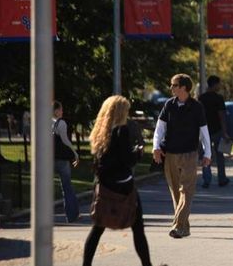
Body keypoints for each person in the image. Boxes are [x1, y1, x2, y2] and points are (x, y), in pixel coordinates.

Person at [83, 96, 156, 266]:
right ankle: (147, 265)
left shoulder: (100, 132)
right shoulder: (121, 130)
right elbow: (127, 160)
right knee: (138, 229)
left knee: (97, 228)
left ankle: (86, 264)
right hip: (123, 187)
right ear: (120, 112)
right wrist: (137, 153)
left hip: (105, 187)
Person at [153, 73, 211, 239]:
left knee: (187, 191)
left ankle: (178, 226)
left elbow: (204, 131)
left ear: (184, 87)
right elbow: (160, 128)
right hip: (170, 154)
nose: (171, 88)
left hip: (189, 154)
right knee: (176, 193)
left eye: (174, 85)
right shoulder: (169, 105)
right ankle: (184, 228)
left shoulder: (196, 106)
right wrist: (156, 147)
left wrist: (207, 152)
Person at [198, 75, 230, 188]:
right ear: (215, 84)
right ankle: (222, 178)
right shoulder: (219, 98)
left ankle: (206, 179)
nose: (219, 86)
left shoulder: (201, 98)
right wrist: (225, 132)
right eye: (219, 84)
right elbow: (221, 116)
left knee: (205, 155)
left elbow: (198, 115)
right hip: (217, 130)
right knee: (220, 155)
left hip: (204, 130)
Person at [53, 101, 79, 222]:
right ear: (56, 111)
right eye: (61, 109)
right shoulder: (61, 123)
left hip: (50, 159)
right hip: (62, 160)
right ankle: (71, 215)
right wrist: (74, 152)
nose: (62, 112)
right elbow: (65, 141)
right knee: (67, 186)